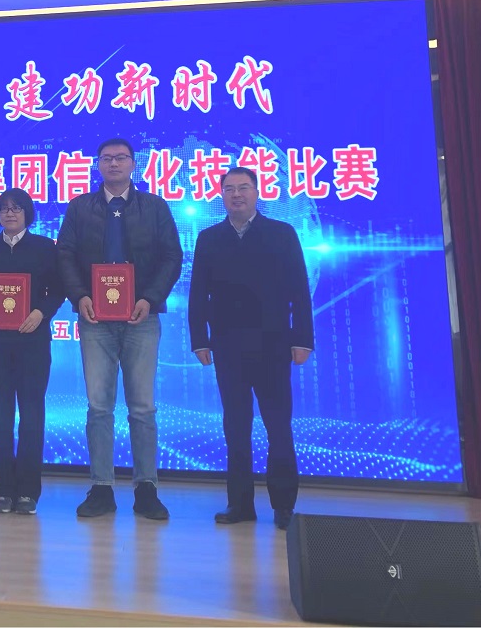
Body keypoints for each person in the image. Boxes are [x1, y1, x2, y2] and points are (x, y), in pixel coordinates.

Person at [57, 138, 182, 519]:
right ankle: (101, 487)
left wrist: (150, 298)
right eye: (107, 159)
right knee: (99, 407)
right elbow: (65, 255)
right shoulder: (80, 207)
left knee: (142, 407)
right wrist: (80, 296)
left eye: (121, 158)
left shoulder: (154, 206)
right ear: (98, 165)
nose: (114, 164)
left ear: (133, 164)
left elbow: (172, 256)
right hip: (95, 319)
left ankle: (146, 488)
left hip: (141, 318)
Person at [188, 166, 313, 531]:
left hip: (274, 344)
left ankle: (284, 505)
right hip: (228, 346)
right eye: (229, 189)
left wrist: (302, 339)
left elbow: (299, 290)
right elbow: (198, 293)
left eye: (244, 188)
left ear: (257, 193)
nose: (237, 195)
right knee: (236, 426)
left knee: (278, 425)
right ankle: (240, 504)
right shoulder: (209, 238)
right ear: (221, 195)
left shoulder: (281, 233)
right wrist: (199, 339)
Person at [0, 187, 64, 515]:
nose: (10, 214)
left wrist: (41, 313)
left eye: (17, 208)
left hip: (32, 342)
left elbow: (58, 289)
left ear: (28, 214)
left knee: (31, 416)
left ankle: (28, 492)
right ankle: (3, 490)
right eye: (4, 208)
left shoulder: (44, 247)